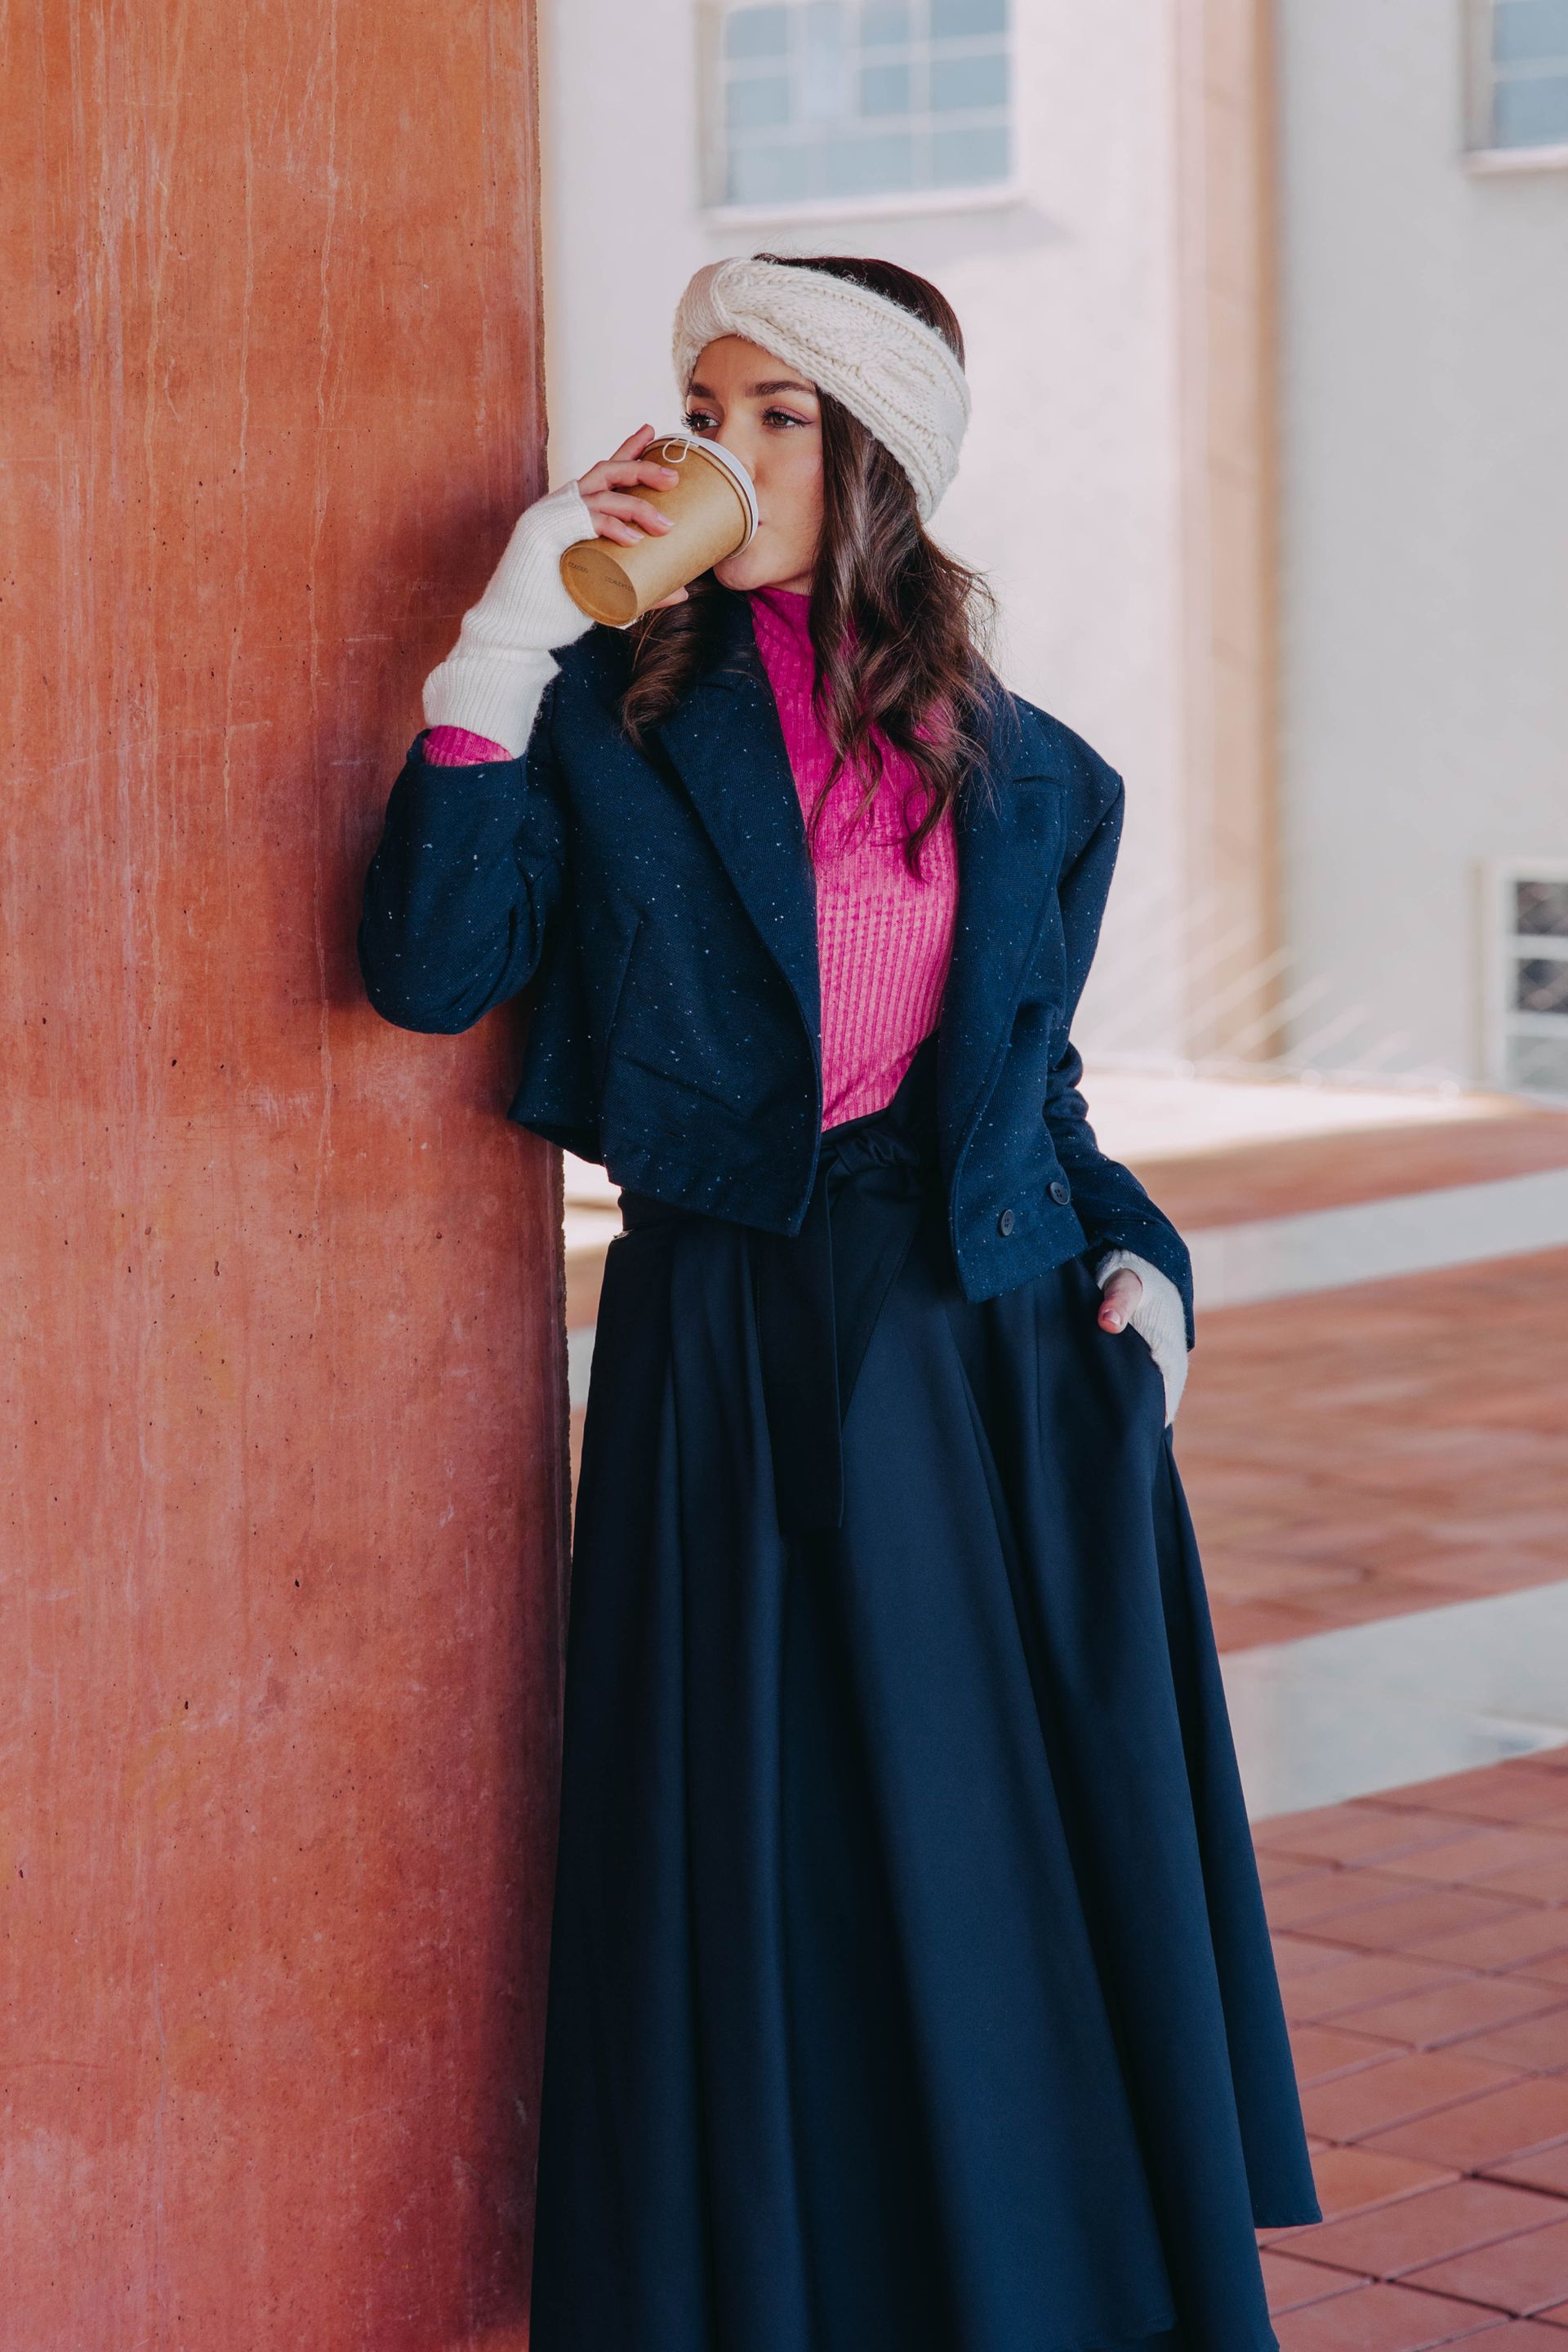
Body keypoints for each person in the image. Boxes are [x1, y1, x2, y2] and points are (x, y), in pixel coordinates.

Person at [359, 252, 1318, 2352]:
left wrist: (1147, 1258)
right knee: (764, 1852)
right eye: (705, 405)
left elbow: (1035, 1091)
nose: (722, 447)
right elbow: (429, 973)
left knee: (990, 1862)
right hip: (731, 1342)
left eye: (777, 415)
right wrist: (501, 640)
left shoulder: (1040, 777)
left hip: (998, 1357)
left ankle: (1035, 2292)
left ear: (881, 457)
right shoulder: (611, 727)